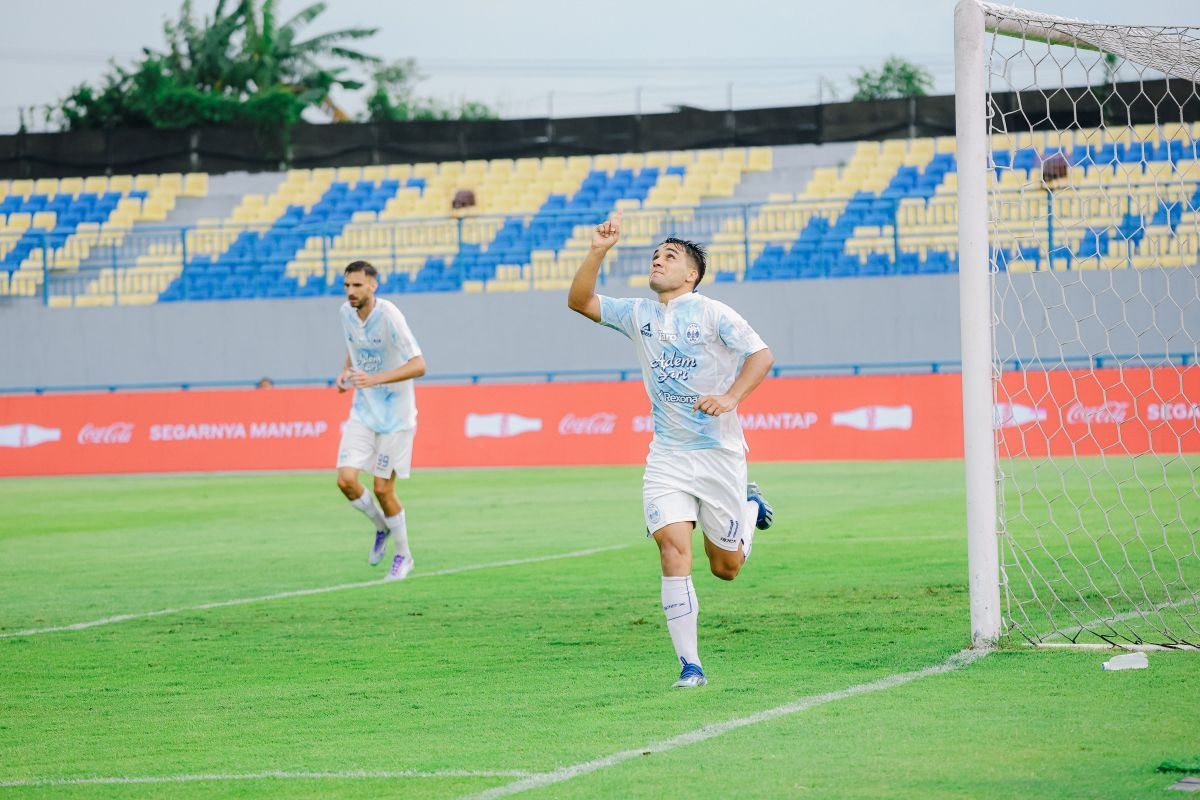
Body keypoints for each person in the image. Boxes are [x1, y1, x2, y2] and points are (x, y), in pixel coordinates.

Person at [567, 210, 775, 689]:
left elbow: (761, 356)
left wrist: (730, 398)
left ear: (692, 274)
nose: (659, 260)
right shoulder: (637, 314)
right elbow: (580, 301)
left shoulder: (713, 312)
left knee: (726, 569)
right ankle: (691, 665)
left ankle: (748, 505)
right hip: (668, 456)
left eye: (671, 256)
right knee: (671, 547)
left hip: (719, 455)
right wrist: (598, 250)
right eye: (656, 255)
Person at [334, 260, 427, 581]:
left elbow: (419, 365)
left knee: (382, 489)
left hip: (396, 418)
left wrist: (375, 379)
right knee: (345, 480)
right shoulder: (345, 313)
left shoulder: (390, 316)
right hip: (363, 412)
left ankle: (404, 555)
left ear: (373, 285)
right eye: (347, 286)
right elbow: (353, 346)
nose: (351, 292)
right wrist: (346, 371)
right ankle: (380, 528)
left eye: (357, 286)